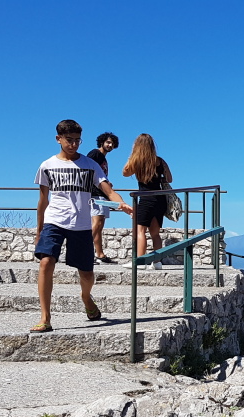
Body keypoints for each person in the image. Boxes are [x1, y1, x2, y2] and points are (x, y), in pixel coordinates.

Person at [31, 120, 132, 333]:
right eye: (70, 140)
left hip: (81, 224)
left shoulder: (90, 165)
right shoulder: (47, 166)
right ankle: (45, 318)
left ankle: (86, 298)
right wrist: (39, 230)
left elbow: (107, 190)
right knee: (46, 262)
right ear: (58, 139)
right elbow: (42, 201)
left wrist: (120, 203)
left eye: (78, 140)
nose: (74, 145)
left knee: (86, 273)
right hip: (54, 221)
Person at [122, 133, 173, 270]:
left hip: (145, 199)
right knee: (155, 233)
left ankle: (140, 261)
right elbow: (169, 179)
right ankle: (157, 262)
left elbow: (125, 173)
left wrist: (132, 155)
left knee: (140, 231)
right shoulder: (160, 161)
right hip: (159, 199)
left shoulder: (137, 161)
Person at [86, 132, 119, 264]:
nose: (110, 145)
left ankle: (100, 254)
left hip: (101, 194)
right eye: (108, 142)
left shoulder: (103, 158)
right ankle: (84, 251)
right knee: (97, 224)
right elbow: (87, 169)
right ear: (102, 142)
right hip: (95, 193)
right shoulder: (96, 154)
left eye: (112, 143)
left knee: (99, 225)